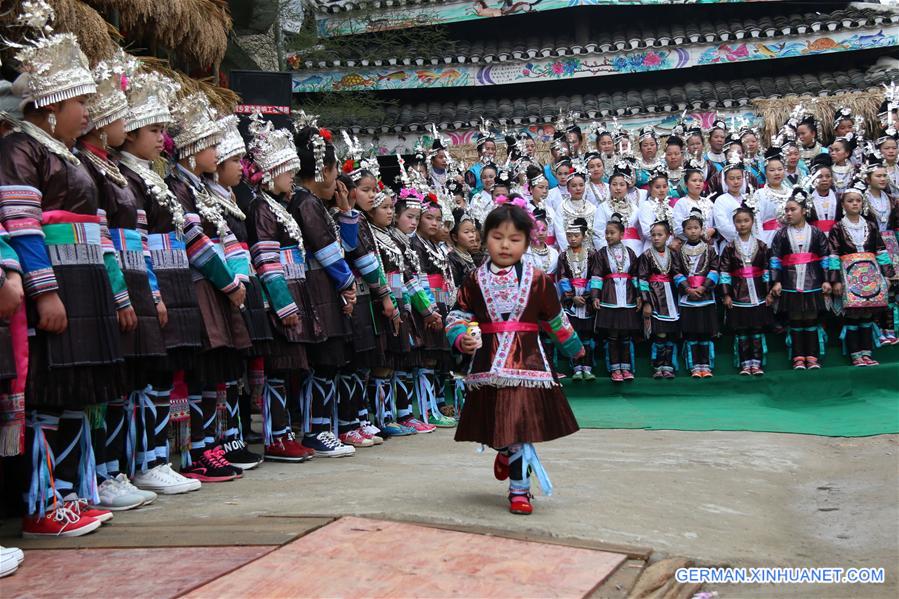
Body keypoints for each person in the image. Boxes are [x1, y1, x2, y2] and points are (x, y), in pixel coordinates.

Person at [2, 22, 121, 536]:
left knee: (76, 390)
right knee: (50, 393)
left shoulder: (65, 154)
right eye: (82, 103)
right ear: (53, 104)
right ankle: (42, 502)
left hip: (84, 283)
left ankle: (71, 493)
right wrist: (44, 289)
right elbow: (21, 224)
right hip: (54, 286)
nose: (89, 113)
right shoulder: (21, 151)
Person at [447, 198, 583, 515]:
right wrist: (461, 337)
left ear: (526, 242)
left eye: (514, 239)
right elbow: (457, 315)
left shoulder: (538, 280)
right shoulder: (474, 280)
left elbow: (555, 319)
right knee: (496, 424)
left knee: (520, 428)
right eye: (497, 237)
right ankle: (504, 451)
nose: (505, 245)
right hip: (488, 364)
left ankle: (519, 491)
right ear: (485, 238)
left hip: (527, 364)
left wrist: (574, 347)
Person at [78, 54, 166, 508]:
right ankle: (105, 473)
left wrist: (149, 290)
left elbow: (138, 241)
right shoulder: (90, 167)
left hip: (129, 284)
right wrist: (120, 294)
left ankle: (131, 464)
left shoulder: (114, 172)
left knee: (137, 376)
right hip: (105, 287)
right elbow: (103, 239)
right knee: (111, 382)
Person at [117, 71, 205, 491]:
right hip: (144, 281)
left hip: (167, 282)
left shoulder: (147, 175)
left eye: (163, 130)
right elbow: (137, 240)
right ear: (128, 131)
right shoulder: (129, 176)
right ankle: (141, 462)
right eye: (153, 129)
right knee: (147, 373)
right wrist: (151, 290)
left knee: (163, 372)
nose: (161, 138)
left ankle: (156, 459)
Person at [166, 93, 250, 481]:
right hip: (202, 285)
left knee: (215, 367)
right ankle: (197, 450)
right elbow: (194, 238)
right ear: (192, 146)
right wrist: (229, 281)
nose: (216, 153)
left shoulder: (197, 187)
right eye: (212, 145)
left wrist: (237, 278)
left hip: (217, 286)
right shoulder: (178, 187)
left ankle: (211, 446)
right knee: (201, 367)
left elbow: (226, 236)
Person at [243, 115, 315, 462]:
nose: (291, 177)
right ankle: (276, 436)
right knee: (278, 369)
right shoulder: (261, 209)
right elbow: (266, 261)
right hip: (279, 300)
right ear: (270, 173)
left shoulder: (277, 207)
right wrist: (283, 305)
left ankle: (285, 432)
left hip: (293, 292)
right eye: (287, 170)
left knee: (288, 371)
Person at [206, 115, 271, 467]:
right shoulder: (209, 198)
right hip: (225, 287)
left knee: (236, 367)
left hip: (239, 285)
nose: (241, 168)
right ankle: (222, 440)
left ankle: (233, 437)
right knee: (225, 368)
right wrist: (234, 281)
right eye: (234, 160)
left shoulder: (230, 197)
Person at [291, 122, 358, 457]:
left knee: (331, 360)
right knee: (325, 360)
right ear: (322, 169)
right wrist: (347, 285)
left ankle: (322, 427)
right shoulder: (306, 204)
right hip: (318, 288)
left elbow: (345, 245)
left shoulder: (317, 204)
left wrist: (345, 213)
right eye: (333, 172)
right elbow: (326, 250)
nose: (336, 181)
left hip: (325, 287)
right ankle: (315, 429)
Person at [828, 180, 895, 366]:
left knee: (867, 315)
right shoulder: (837, 228)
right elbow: (833, 255)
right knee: (852, 315)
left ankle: (867, 352)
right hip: (848, 277)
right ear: (843, 204)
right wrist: (835, 281)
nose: (855, 204)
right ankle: (855, 353)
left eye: (858, 200)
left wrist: (887, 275)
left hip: (870, 276)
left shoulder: (871, 226)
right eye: (850, 201)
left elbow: (881, 251)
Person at [769, 188, 832, 370]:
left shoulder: (816, 232)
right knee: (795, 318)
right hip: (790, 281)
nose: (788, 213)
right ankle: (798, 356)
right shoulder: (780, 234)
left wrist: (827, 279)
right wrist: (776, 281)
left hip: (813, 280)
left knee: (811, 318)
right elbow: (775, 259)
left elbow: (825, 257)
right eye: (786, 210)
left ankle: (812, 356)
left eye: (793, 209)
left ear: (804, 210)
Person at [411, 194, 457, 428]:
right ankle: (427, 410)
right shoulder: (415, 244)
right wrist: (429, 309)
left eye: (438, 219)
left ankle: (438, 405)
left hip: (440, 305)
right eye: (429, 218)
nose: (435, 223)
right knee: (427, 358)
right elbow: (420, 280)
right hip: (426, 307)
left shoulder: (435, 246)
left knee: (439, 358)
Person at [719, 205, 773, 375]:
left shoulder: (762, 246)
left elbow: (766, 270)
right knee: (742, 330)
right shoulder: (729, 247)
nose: (742, 224)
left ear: (752, 222)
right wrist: (726, 294)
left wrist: (769, 292)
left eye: (746, 221)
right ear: (734, 224)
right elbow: (725, 272)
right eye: (738, 221)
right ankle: (744, 363)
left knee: (756, 328)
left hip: (758, 292)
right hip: (738, 293)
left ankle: (756, 362)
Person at [591, 214, 642, 382]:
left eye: (612, 233)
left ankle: (626, 367)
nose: (608, 236)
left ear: (622, 235)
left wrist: (639, 296)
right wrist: (595, 296)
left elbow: (635, 276)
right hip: (610, 297)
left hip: (627, 297)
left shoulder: (630, 252)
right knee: (613, 334)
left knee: (625, 334)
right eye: (606, 233)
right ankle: (614, 368)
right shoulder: (601, 254)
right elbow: (597, 276)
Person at [674, 210, 720, 378]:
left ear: (702, 229)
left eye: (696, 228)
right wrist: (687, 289)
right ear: (684, 231)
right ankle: (694, 365)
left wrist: (704, 287)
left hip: (705, 296)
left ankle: (706, 365)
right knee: (691, 331)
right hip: (687, 297)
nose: (692, 231)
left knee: (705, 331)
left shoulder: (709, 249)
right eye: (689, 228)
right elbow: (677, 272)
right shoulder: (679, 252)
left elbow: (715, 270)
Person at [638, 212, 680, 378]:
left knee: (670, 332)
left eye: (660, 235)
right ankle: (658, 365)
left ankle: (669, 365)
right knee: (660, 332)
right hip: (656, 296)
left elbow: (677, 274)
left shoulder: (674, 254)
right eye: (653, 235)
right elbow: (642, 279)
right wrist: (646, 302)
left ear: (668, 236)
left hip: (671, 295)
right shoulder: (646, 256)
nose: (656, 238)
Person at [558, 218, 596, 380]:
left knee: (587, 335)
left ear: (583, 236)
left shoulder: (592, 255)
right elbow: (562, 278)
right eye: (569, 236)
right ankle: (576, 368)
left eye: (576, 235)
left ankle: (587, 368)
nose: (572, 239)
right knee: (574, 334)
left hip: (586, 299)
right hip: (572, 298)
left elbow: (594, 276)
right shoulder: (563, 256)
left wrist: (586, 296)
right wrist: (572, 297)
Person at [594, 161, 643, 255]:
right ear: (609, 187)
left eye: (622, 185)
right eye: (614, 184)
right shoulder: (603, 207)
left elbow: (640, 233)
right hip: (611, 249)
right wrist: (606, 253)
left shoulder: (635, 209)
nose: (618, 188)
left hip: (635, 249)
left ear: (627, 187)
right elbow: (598, 233)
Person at [753, 146, 792, 246]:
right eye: (772, 170)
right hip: (768, 239)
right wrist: (762, 244)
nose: (777, 173)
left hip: (792, 237)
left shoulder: (791, 193)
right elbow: (757, 222)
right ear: (765, 172)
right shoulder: (760, 194)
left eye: (780, 169)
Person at [672, 158, 715, 244]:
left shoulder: (708, 202)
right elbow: (677, 229)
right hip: (689, 245)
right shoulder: (682, 203)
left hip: (709, 244)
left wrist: (713, 230)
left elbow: (715, 224)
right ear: (686, 184)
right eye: (694, 181)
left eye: (700, 181)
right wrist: (698, 234)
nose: (698, 184)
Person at [638, 167, 676, 253]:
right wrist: (669, 241)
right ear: (650, 188)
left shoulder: (670, 209)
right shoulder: (646, 206)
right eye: (658, 187)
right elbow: (648, 232)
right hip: (652, 248)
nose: (662, 190)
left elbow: (675, 230)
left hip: (670, 250)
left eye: (664, 187)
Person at [808, 154, 838, 234]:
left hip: (835, 236)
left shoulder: (839, 198)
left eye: (828, 176)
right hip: (814, 236)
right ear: (813, 179)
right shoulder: (807, 200)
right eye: (820, 176)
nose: (824, 179)